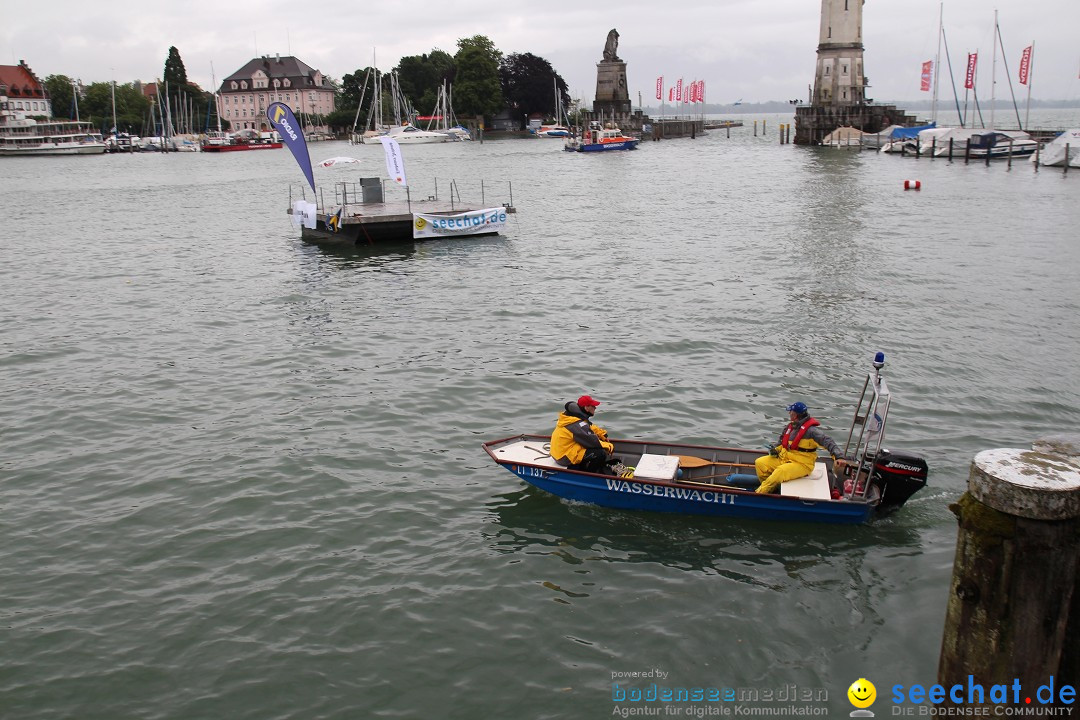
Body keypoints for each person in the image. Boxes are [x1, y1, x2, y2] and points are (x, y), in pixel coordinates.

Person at [755, 402, 848, 494]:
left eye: (790, 412)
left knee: (780, 471)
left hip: (803, 464)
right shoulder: (789, 427)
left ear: (795, 415)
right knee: (760, 463)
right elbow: (781, 444)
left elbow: (828, 442)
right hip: (785, 458)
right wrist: (775, 450)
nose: (789, 413)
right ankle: (772, 491)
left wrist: (839, 457)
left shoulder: (812, 432)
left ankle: (760, 493)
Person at [550, 394, 614, 474]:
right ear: (586, 408)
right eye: (593, 406)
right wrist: (609, 446)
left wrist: (602, 434)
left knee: (595, 444)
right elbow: (593, 442)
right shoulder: (576, 424)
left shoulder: (573, 417)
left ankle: (584, 467)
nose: (595, 408)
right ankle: (590, 475)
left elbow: (589, 426)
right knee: (601, 453)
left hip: (560, 451)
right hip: (564, 457)